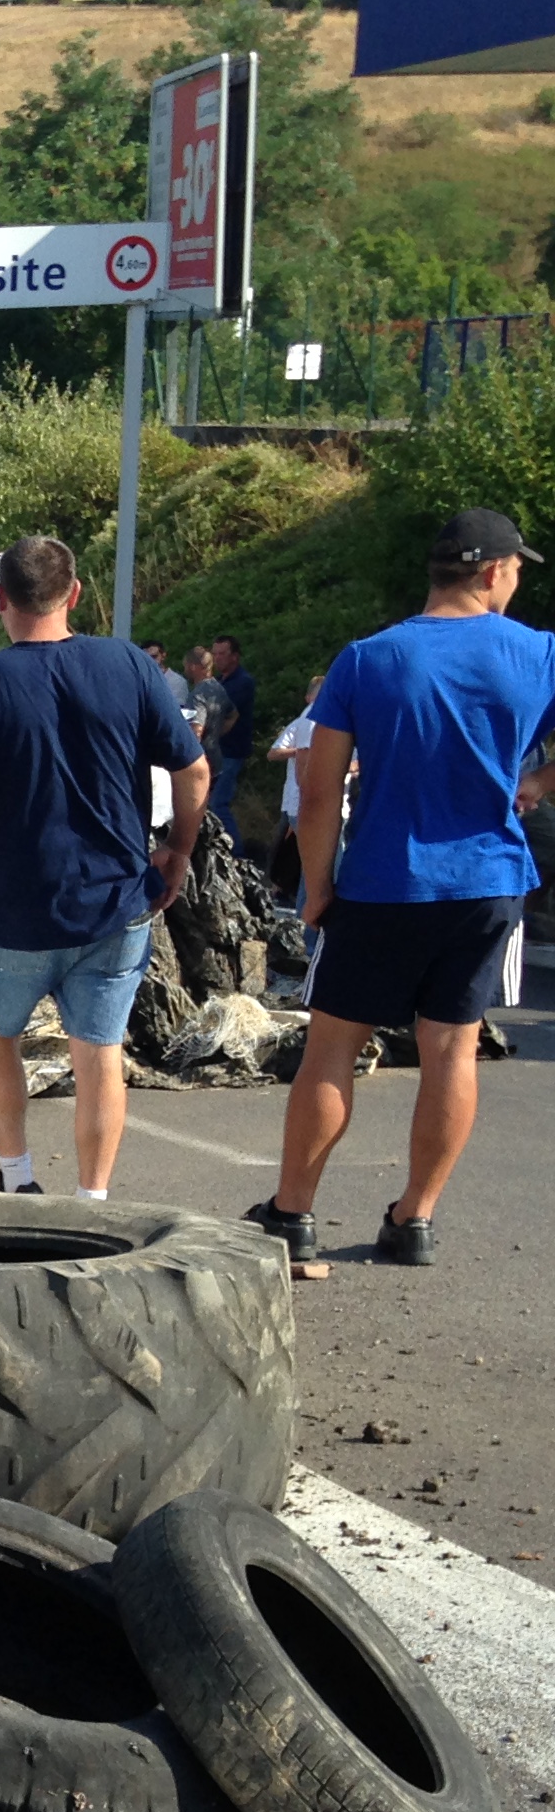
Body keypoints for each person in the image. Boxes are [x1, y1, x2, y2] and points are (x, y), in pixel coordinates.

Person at [247, 509, 555, 1268]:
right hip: (487, 882)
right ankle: (413, 1220)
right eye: (516, 570)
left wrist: (317, 888)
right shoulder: (538, 654)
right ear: (492, 572)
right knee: (450, 1050)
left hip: (385, 880)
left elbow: (318, 793)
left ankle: (292, 1214)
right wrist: (536, 782)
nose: (515, 583)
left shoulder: (367, 658)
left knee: (332, 1051)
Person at [0, 534, 209, 1199]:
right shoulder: (127, 665)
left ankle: (18, 1177)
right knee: (99, 1054)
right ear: (75, 594)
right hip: (115, 905)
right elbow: (194, 767)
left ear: (1, 599)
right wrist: (178, 848)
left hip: (13, 912)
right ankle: (93, 1198)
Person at [264, 671, 326, 903]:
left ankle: (286, 892)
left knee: (304, 859)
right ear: (309, 698)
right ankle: (284, 893)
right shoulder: (308, 720)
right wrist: (301, 751)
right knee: (306, 860)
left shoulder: (331, 720)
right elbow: (274, 752)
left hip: (304, 801)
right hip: (298, 799)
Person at [208, 636, 257, 848]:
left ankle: (236, 853)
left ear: (235, 657)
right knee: (208, 804)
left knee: (218, 803)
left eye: (222, 654)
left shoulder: (243, 682)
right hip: (216, 751)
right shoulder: (219, 681)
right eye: (215, 654)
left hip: (231, 751)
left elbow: (222, 713)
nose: (217, 658)